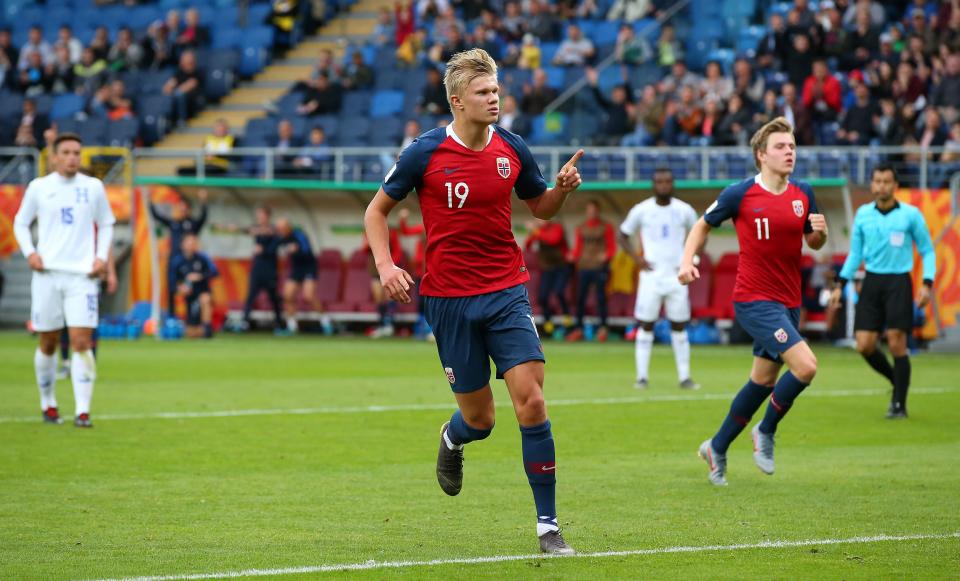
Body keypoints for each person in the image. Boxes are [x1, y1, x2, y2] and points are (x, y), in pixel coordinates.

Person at [363, 48, 583, 555]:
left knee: (531, 401)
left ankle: (548, 528)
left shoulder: (512, 148)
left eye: (497, 90)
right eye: (484, 92)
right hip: (448, 301)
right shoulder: (423, 153)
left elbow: (541, 207)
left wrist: (563, 190)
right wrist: (386, 264)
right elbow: (376, 213)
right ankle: (453, 438)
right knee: (481, 420)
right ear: (458, 101)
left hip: (506, 290)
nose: (494, 98)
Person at [678, 117, 828, 486]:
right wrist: (686, 261)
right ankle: (765, 430)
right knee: (806, 366)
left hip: (788, 303)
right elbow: (702, 225)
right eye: (781, 146)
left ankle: (716, 446)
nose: (789, 152)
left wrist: (820, 235)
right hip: (754, 300)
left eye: (792, 146)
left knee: (761, 382)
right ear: (762, 155)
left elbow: (814, 243)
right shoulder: (739, 193)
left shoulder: (803, 193)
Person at [14, 133, 116, 428]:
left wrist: (100, 257)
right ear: (55, 156)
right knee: (48, 342)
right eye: (67, 152)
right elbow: (20, 222)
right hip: (46, 275)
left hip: (82, 277)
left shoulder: (93, 187)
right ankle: (48, 404)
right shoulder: (39, 188)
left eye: (77, 152)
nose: (73, 157)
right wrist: (30, 253)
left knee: (82, 341)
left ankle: (83, 411)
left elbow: (107, 223)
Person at [830, 165, 935, 419]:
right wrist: (839, 284)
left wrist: (926, 284)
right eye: (877, 181)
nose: (882, 186)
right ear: (872, 184)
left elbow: (927, 251)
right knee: (864, 345)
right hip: (872, 281)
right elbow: (855, 253)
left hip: (899, 281)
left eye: (887, 181)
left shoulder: (911, 215)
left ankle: (899, 405)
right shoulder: (863, 214)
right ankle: (896, 381)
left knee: (897, 343)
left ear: (895, 185)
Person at [619, 168, 699, 390]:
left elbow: (698, 235)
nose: (663, 185)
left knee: (679, 325)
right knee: (646, 324)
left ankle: (685, 377)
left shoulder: (685, 211)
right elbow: (623, 235)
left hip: (677, 275)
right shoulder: (641, 210)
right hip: (651, 276)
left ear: (673, 184)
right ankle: (642, 377)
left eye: (667, 181)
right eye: (659, 182)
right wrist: (637, 259)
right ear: (653, 185)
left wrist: (691, 259)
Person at [150, 188, 208, 315]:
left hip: (188, 262)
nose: (182, 210)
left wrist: (203, 202)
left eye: (184, 207)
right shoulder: (174, 222)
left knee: (191, 291)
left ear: (188, 208)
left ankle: (192, 319)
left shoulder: (192, 224)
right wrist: (150, 200)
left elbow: (203, 218)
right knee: (172, 289)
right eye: (180, 207)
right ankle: (171, 316)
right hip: (174, 261)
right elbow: (157, 216)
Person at [566, 200, 616, 342]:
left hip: (599, 267)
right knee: (580, 298)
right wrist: (572, 256)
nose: (591, 213)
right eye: (589, 210)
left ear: (598, 211)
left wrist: (607, 255)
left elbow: (612, 247)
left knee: (601, 298)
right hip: (584, 267)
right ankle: (578, 329)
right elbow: (577, 248)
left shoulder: (606, 227)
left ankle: (603, 328)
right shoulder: (580, 228)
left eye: (594, 210)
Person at [276, 217, 331, 334]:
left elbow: (306, 251)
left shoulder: (299, 235)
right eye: (279, 229)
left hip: (309, 267)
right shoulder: (281, 238)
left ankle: (326, 323)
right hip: (296, 269)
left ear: (288, 227)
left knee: (309, 296)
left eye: (282, 228)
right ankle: (292, 326)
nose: (281, 231)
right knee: (287, 296)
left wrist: (297, 250)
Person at [525, 218, 570, 337]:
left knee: (559, 292)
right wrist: (532, 232)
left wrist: (536, 231)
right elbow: (528, 245)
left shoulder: (557, 227)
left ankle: (567, 321)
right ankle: (548, 326)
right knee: (543, 297)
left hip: (561, 266)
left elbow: (553, 240)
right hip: (547, 268)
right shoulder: (539, 231)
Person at [173, 233, 217, 338]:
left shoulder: (203, 258)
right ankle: (195, 330)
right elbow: (173, 282)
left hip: (202, 292)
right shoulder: (177, 261)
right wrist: (181, 287)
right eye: (189, 242)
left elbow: (214, 272)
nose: (192, 245)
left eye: (194, 242)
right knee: (190, 333)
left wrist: (200, 276)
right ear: (182, 245)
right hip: (189, 297)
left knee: (205, 298)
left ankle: (207, 328)